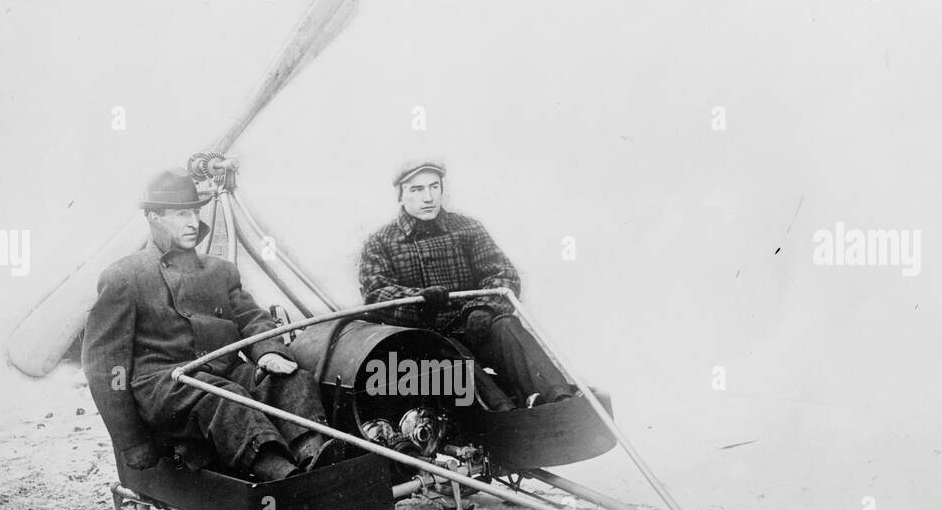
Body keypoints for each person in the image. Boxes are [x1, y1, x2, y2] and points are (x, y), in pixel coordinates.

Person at [83, 167, 340, 481]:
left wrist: (268, 353)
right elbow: (106, 367)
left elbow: (252, 319)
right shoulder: (124, 277)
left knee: (292, 380)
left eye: (194, 211)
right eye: (179, 214)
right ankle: (283, 478)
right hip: (165, 385)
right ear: (153, 218)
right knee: (228, 400)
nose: (193, 222)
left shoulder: (220, 271)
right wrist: (131, 441)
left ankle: (317, 458)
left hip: (225, 371)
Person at [357, 160, 575, 410]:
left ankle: (560, 399)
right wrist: (420, 300)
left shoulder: (468, 228)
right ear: (401, 195)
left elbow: (502, 273)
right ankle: (503, 412)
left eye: (434, 187)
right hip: (427, 337)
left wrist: (482, 308)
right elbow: (376, 293)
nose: (428, 197)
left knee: (507, 326)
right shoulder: (380, 242)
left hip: (473, 324)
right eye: (416, 190)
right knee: (447, 351)